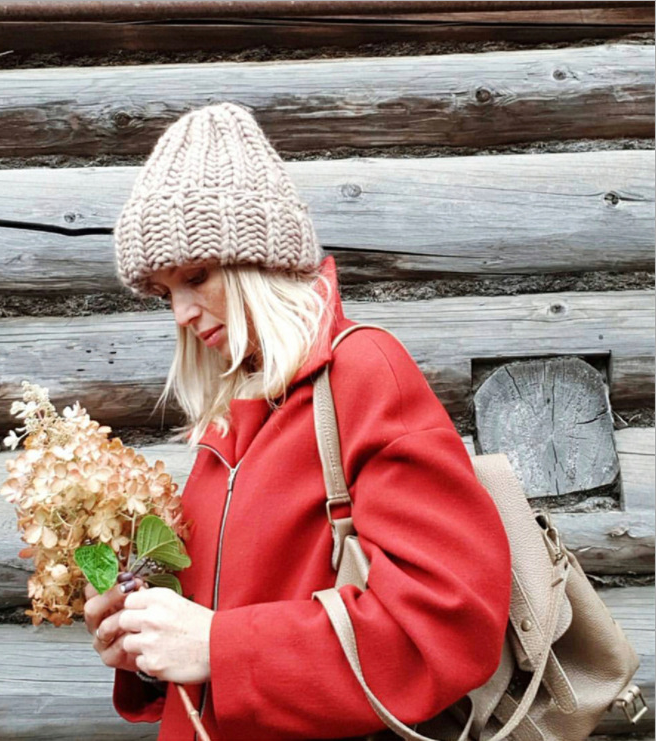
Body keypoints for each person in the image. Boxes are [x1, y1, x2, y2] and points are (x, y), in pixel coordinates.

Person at [83, 102, 512, 741]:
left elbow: (448, 626)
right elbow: (214, 634)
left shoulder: (364, 373)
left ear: (261, 264)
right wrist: (146, 646)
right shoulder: (225, 420)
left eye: (196, 276)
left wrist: (219, 646)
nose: (181, 313)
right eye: (165, 292)